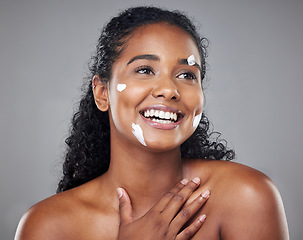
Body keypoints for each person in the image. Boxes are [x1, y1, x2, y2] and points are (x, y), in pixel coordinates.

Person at [15, 6, 289, 240]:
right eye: (145, 70)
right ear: (101, 93)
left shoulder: (247, 197)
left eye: (186, 75)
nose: (169, 89)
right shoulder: (48, 226)